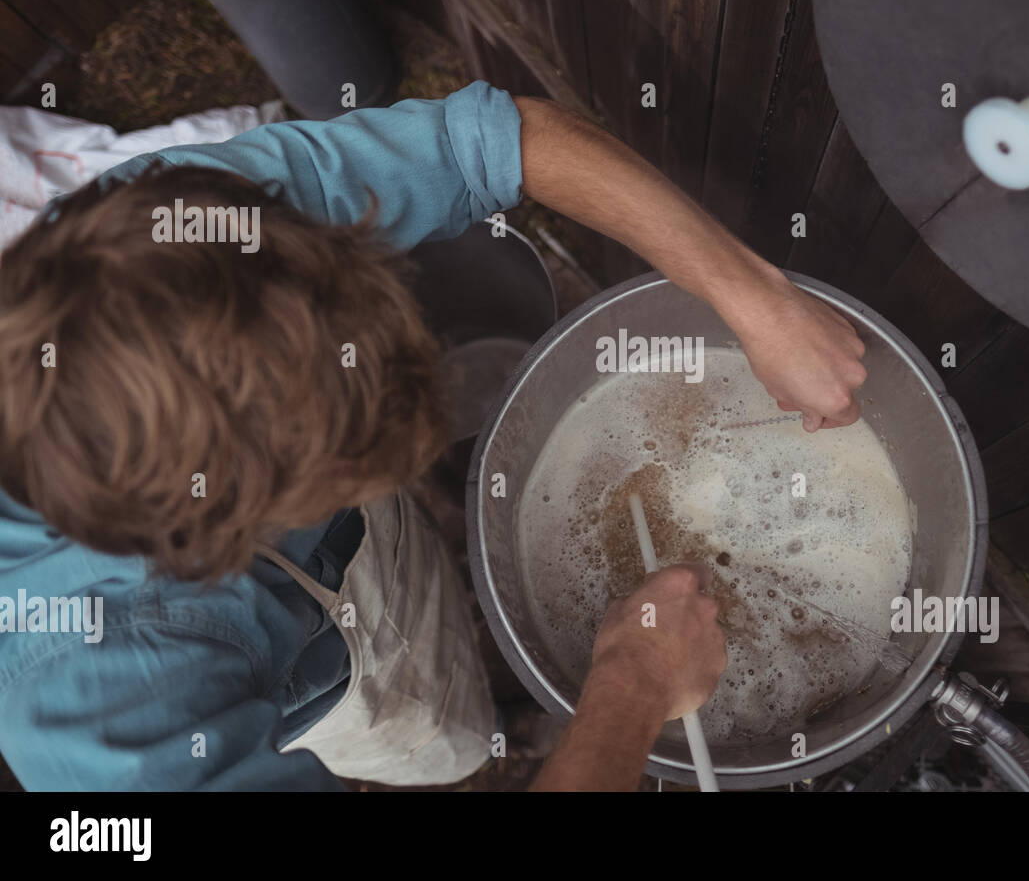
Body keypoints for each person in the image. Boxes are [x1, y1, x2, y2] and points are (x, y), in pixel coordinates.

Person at [0, 81, 867, 790]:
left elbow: (491, 140)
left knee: (432, 623)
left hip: (334, 567)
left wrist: (756, 297)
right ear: (207, 528)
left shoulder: (171, 238)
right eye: (339, 478)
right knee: (436, 741)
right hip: (328, 693)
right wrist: (634, 688)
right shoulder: (110, 724)